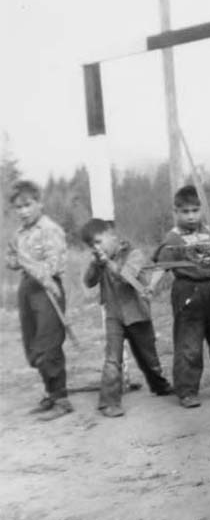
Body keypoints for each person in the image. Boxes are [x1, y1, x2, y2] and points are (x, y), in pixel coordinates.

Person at [153, 185, 210, 408]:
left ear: (201, 210)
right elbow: (161, 266)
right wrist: (150, 287)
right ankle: (186, 390)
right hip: (187, 291)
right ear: (176, 212)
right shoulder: (173, 238)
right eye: (185, 212)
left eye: (195, 210)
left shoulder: (208, 233)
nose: (191, 216)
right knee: (189, 343)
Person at [80, 218, 173, 417]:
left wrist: (108, 263)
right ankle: (109, 402)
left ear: (111, 235)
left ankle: (160, 385)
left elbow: (127, 277)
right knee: (112, 359)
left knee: (148, 358)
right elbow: (89, 282)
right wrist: (96, 265)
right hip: (114, 314)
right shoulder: (100, 261)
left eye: (98, 242)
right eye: (92, 246)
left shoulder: (134, 254)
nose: (96, 248)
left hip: (137, 313)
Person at [5, 180, 73, 421]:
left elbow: (53, 266)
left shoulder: (50, 229)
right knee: (33, 346)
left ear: (39, 204)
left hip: (48, 291)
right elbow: (10, 260)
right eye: (18, 207)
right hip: (27, 289)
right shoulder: (19, 233)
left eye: (27, 205)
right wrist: (21, 260)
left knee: (48, 345)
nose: (23, 211)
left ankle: (61, 399)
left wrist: (25, 261)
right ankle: (50, 393)